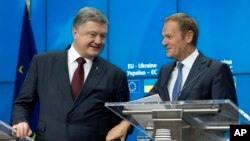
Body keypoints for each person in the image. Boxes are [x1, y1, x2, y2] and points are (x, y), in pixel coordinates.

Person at [12, 7, 130, 141]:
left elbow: (121, 123)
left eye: (103, 36)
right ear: (75, 32)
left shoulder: (116, 76)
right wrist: (21, 121)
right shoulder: (42, 63)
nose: (98, 41)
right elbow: (23, 103)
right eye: (92, 34)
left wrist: (124, 125)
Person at [148, 13, 238, 105]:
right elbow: (145, 105)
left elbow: (226, 116)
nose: (163, 42)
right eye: (163, 37)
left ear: (189, 37)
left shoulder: (216, 70)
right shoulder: (165, 71)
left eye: (169, 37)